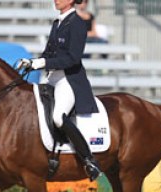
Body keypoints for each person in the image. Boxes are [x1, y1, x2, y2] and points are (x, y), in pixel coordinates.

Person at [16, 0, 101, 181]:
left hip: (68, 80)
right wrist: (33, 62)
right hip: (51, 78)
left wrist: (43, 63)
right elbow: (48, 53)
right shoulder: (57, 23)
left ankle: (88, 159)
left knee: (57, 117)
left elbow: (73, 58)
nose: (56, 0)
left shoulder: (77, 23)